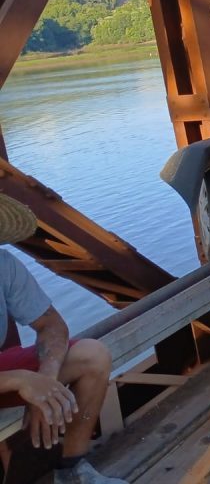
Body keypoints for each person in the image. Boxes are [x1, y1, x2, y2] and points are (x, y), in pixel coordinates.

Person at [0, 194, 125, 483]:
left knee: (93, 355)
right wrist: (20, 380)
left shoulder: (4, 265)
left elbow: (52, 325)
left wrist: (47, 377)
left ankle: (71, 472)